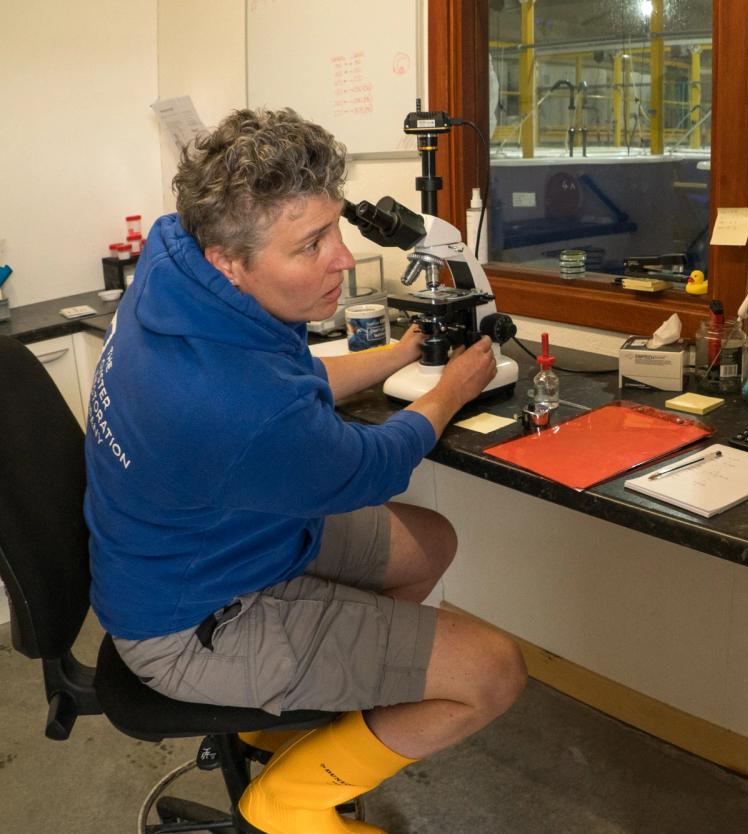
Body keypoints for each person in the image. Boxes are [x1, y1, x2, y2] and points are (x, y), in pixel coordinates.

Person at [84, 108, 527, 834]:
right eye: (312, 244)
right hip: (192, 622)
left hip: (210, 543)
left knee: (429, 541)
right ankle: (285, 801)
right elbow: (371, 465)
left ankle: (287, 720)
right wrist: (452, 390)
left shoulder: (177, 260)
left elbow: (292, 380)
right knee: (492, 672)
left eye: (335, 229)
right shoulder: (233, 406)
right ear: (232, 260)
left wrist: (401, 352)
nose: (345, 258)